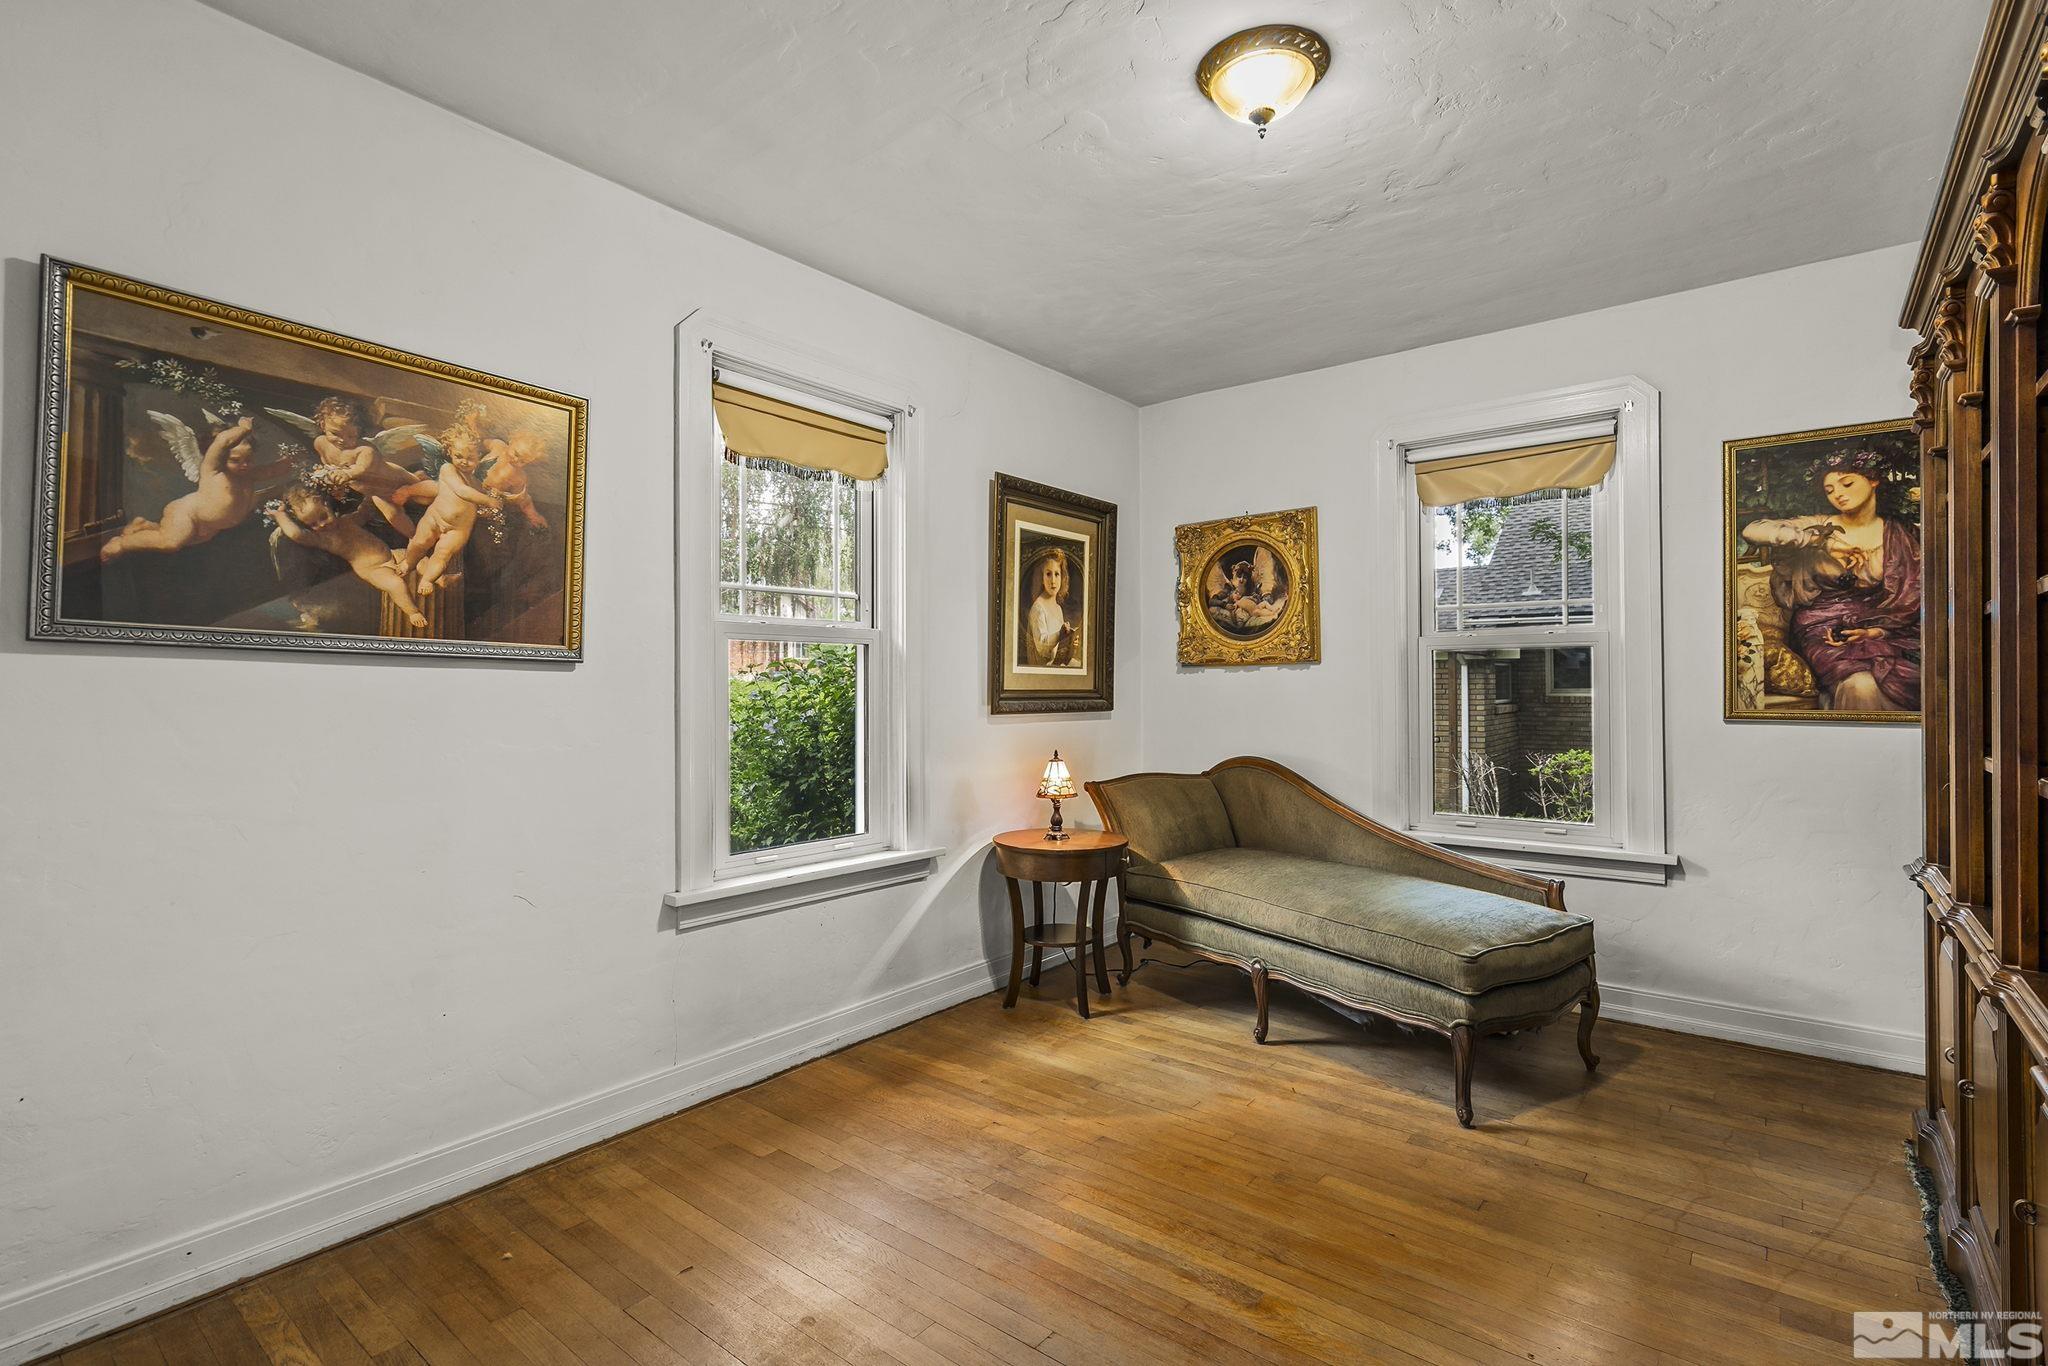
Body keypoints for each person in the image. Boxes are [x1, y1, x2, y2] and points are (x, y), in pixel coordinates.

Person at [1740, 453, 1921, 711]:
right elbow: (1752, 530)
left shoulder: (1900, 534)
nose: (1838, 494)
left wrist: (1876, 631)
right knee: (1860, 684)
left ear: (1873, 480)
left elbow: (1909, 603)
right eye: (1829, 490)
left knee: (1917, 679)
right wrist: (1820, 542)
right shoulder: (1820, 525)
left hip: (1881, 629)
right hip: (1821, 628)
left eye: (1847, 484)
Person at [100, 416, 291, 561]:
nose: (244, 465)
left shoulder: (249, 474)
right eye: (235, 460)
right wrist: (243, 429)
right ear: (222, 458)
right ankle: (122, 544)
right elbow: (222, 442)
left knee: (173, 536)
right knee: (170, 543)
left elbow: (274, 470)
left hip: (209, 526)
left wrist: (297, 460)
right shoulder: (213, 470)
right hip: (187, 513)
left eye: (248, 460)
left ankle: (143, 526)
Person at [268, 488, 429, 630]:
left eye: (323, 517)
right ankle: (412, 612)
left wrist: (370, 490)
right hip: (374, 570)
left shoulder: (348, 521)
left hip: (392, 554)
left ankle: (440, 578)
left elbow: (364, 511)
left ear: (327, 505)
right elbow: (297, 534)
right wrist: (280, 516)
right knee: (396, 584)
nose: (321, 525)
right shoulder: (324, 539)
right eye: (313, 524)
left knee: (420, 557)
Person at [1022, 548, 1077, 667]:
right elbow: (1041, 647)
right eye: (1048, 574)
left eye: (1057, 574)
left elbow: (1060, 646)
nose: (1053, 581)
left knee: (1079, 665)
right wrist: (1060, 634)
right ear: (1041, 578)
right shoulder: (1038, 607)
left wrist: (1069, 640)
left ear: (1062, 577)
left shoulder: (1058, 608)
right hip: (1044, 667)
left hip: (1056, 663)